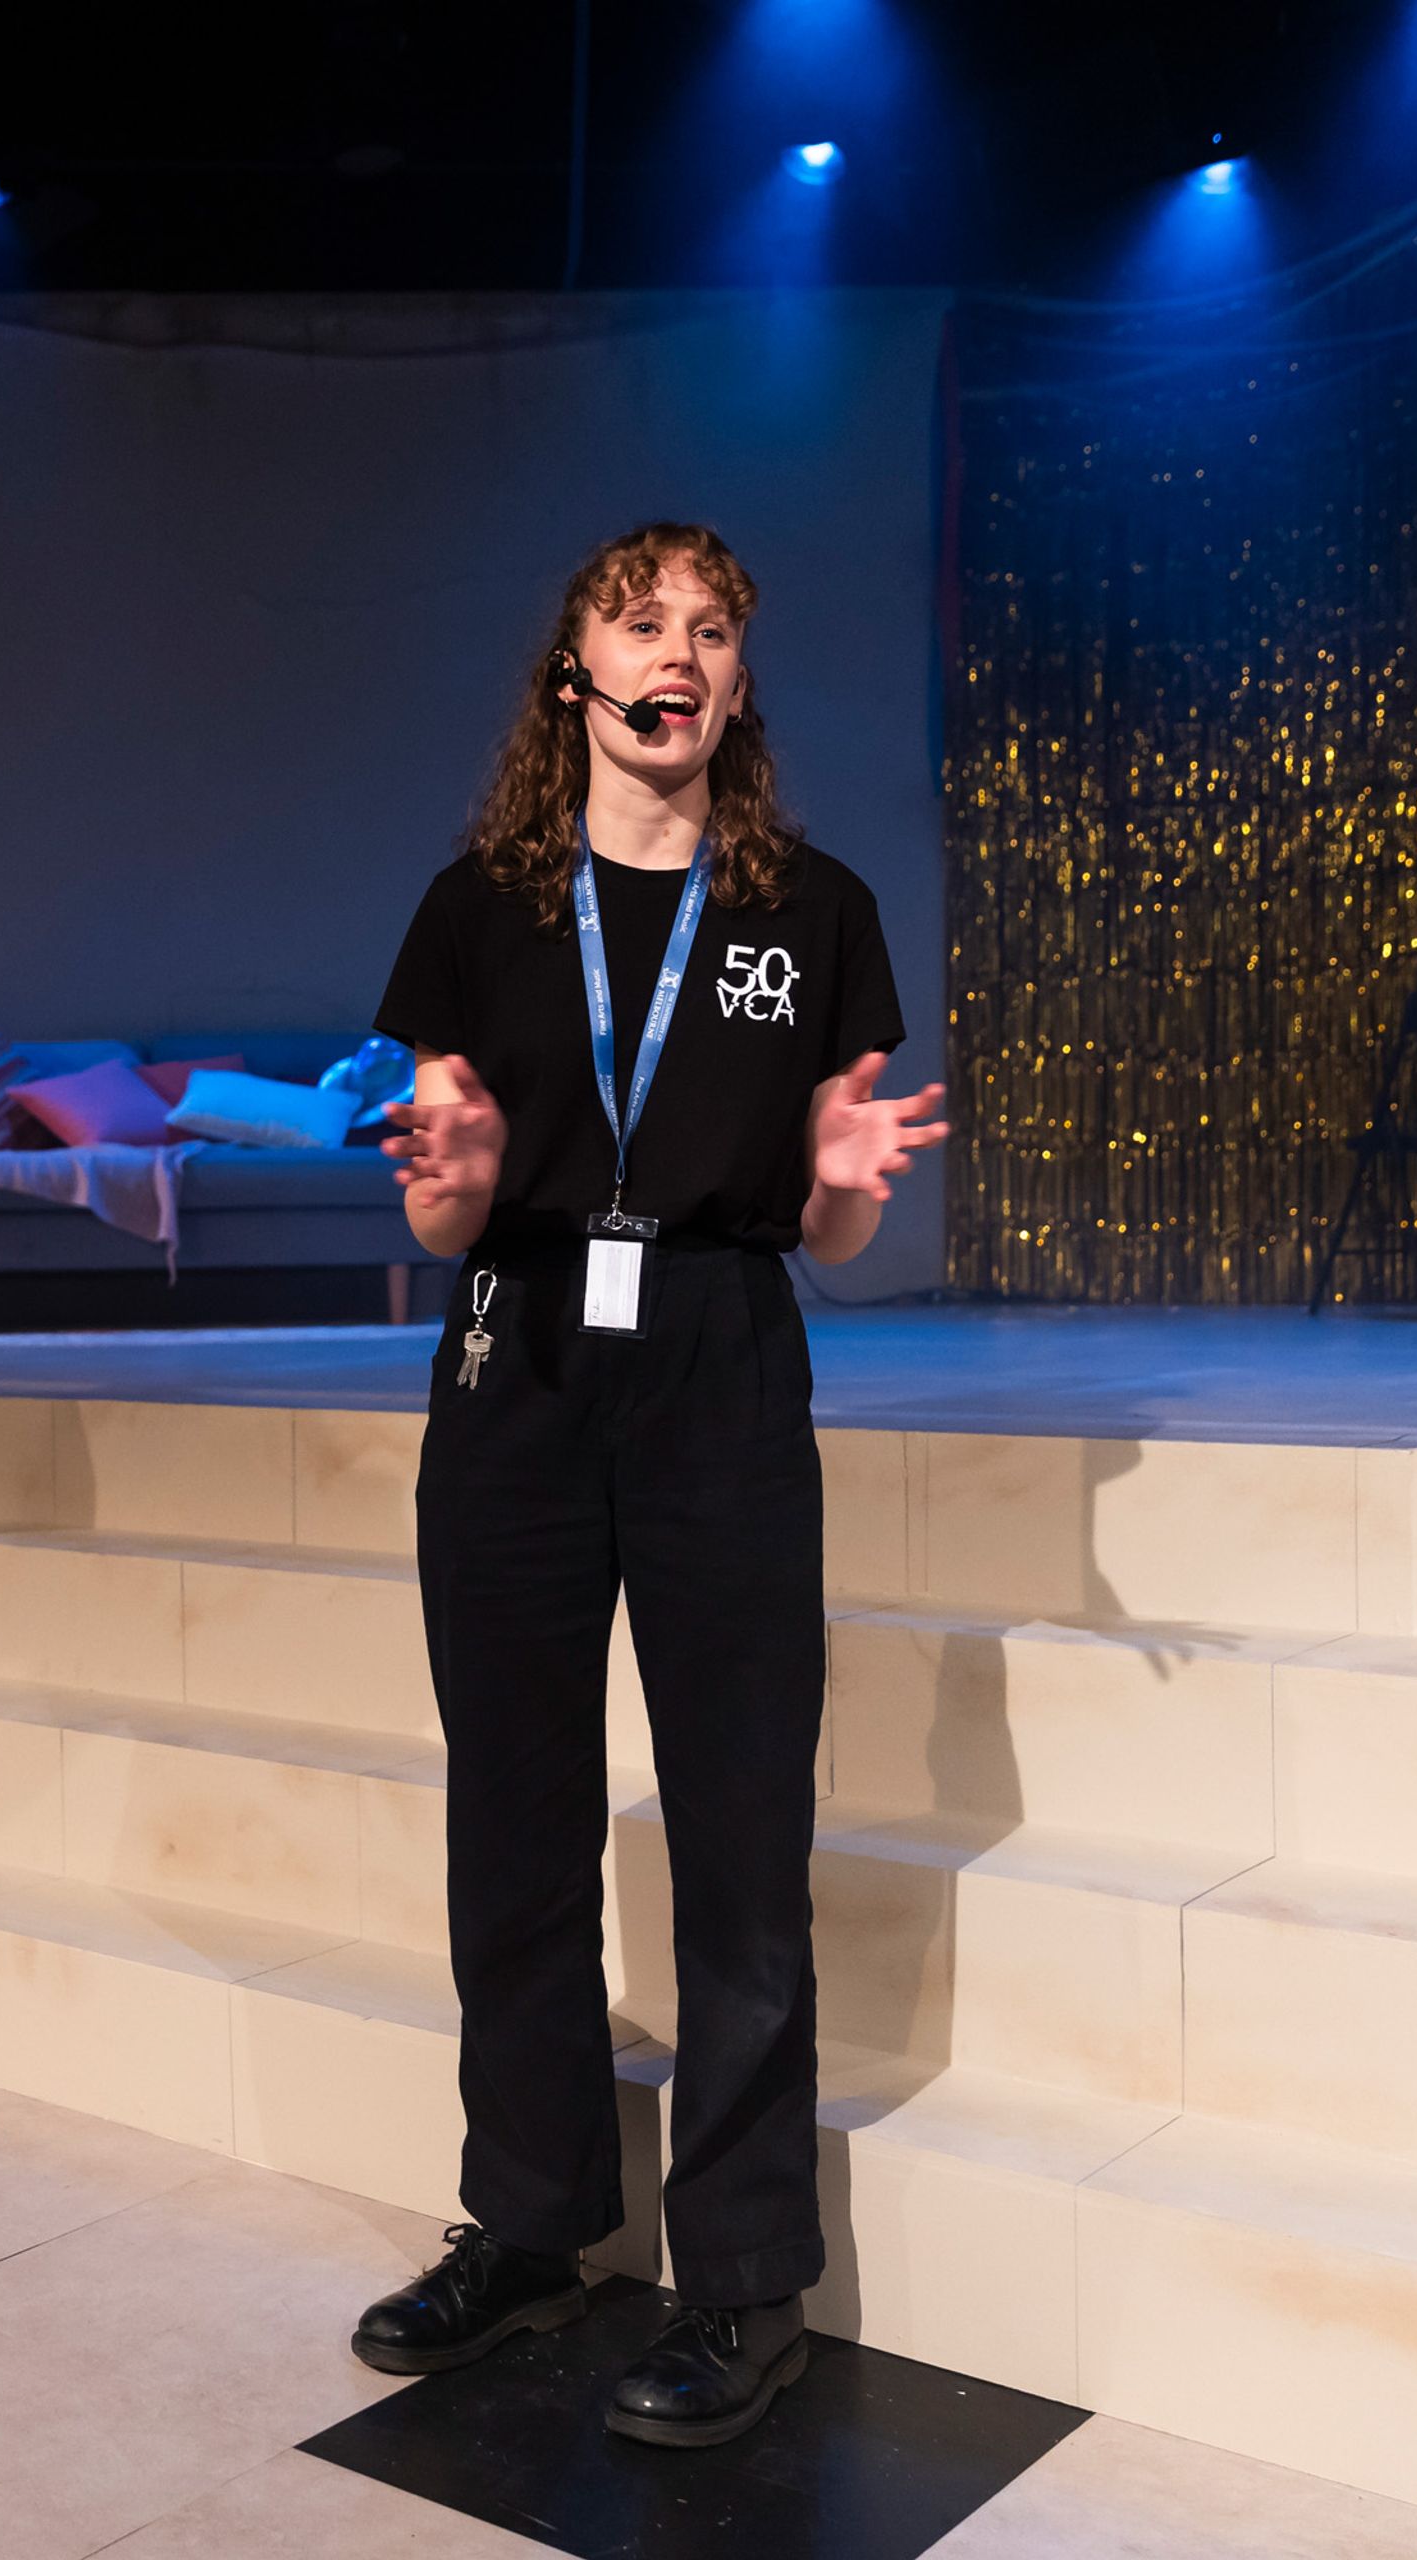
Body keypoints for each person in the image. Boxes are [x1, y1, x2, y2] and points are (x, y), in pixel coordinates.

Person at [351, 525, 946, 2446]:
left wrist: (846, 1177)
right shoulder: (478, 907)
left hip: (716, 1354)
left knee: (739, 1830)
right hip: (516, 1356)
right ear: (576, 674)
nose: (676, 653)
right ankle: (527, 2227)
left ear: (737, 689)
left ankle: (747, 2282)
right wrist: (442, 1172)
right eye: (640, 620)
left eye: (713, 631)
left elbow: (838, 1230)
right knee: (513, 1818)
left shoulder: (811, 910)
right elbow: (446, 1198)